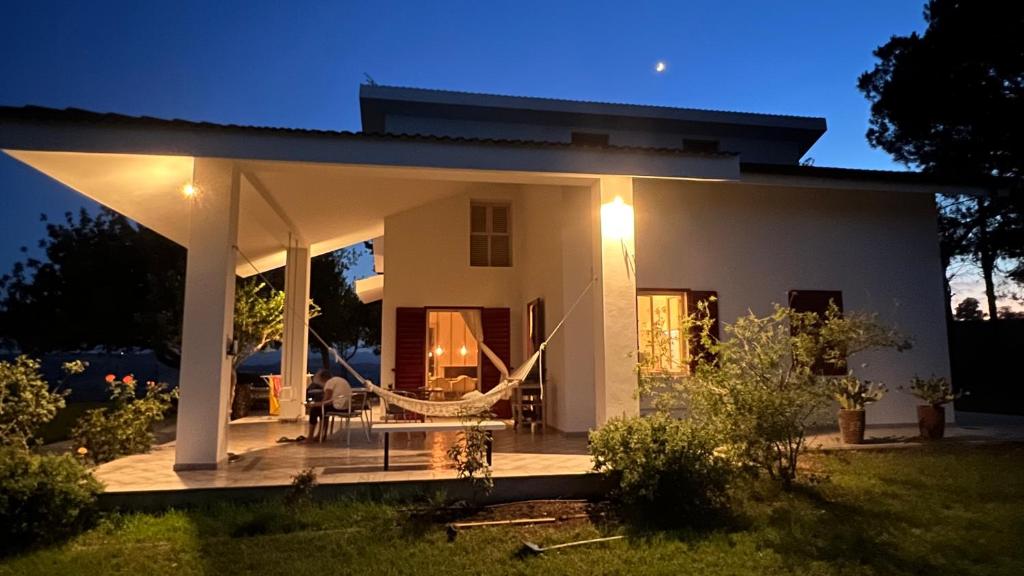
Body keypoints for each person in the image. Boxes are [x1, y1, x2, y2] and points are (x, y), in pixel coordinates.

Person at [306, 368, 352, 441]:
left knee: (314, 410)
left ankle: (310, 436)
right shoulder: (338, 380)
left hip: (339, 407)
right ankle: (321, 435)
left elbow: (326, 400)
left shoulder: (329, 383)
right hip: (347, 407)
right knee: (323, 410)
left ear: (322, 378)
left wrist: (313, 405)